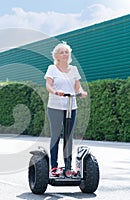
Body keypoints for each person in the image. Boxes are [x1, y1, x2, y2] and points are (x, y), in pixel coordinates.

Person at [44, 42, 87, 177]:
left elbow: (77, 87)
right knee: (56, 135)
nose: (64, 54)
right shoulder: (52, 68)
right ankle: (54, 167)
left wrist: (82, 91)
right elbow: (48, 85)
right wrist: (56, 92)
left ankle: (68, 167)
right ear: (56, 55)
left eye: (66, 52)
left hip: (71, 106)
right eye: (62, 52)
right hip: (55, 106)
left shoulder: (74, 69)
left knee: (69, 137)